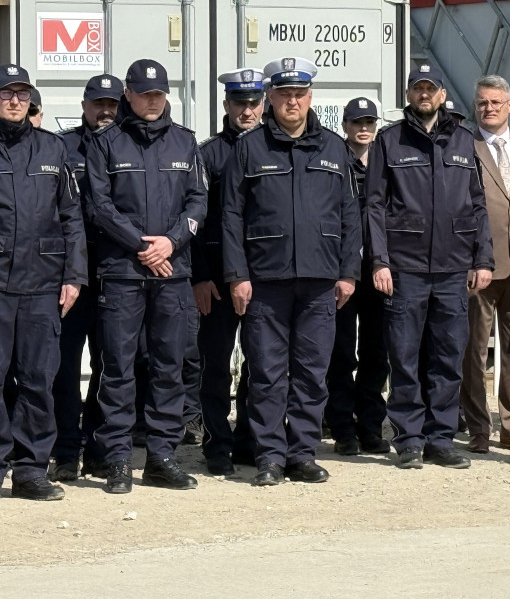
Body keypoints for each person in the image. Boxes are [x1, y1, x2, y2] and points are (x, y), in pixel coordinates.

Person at [222, 57, 362, 486]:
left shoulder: (334, 148)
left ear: (310, 98)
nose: (292, 102)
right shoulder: (250, 147)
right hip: (265, 282)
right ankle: (269, 455)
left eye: (299, 94)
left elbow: (350, 215)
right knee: (265, 371)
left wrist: (348, 273)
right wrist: (237, 275)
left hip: (321, 281)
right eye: (284, 94)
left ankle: (301, 452)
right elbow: (231, 216)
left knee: (311, 371)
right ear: (271, 98)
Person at [85, 59, 207, 494]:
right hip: (122, 274)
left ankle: (162, 456)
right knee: (117, 367)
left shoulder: (185, 143)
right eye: (144, 94)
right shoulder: (105, 143)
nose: (152, 101)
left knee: (169, 366)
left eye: (159, 94)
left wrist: (170, 244)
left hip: (172, 274)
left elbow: (198, 203)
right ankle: (118, 458)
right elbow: (99, 207)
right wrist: (143, 246)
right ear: (128, 96)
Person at [365, 64, 493, 470]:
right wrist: (380, 261)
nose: (424, 95)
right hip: (405, 268)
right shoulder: (390, 140)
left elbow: (477, 204)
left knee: (448, 355)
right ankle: (409, 441)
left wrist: (483, 258)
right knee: (403, 356)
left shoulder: (463, 139)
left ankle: (440, 439)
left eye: (431, 88)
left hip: (454, 269)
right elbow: (374, 205)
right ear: (409, 94)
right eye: (417, 89)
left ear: (441, 94)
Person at [0, 64, 87, 501]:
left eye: (20, 94)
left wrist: (74, 276)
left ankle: (31, 470)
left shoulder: (53, 150)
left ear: (30, 100)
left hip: (41, 287)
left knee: (37, 381)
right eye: (5, 94)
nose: (13, 101)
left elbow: (73, 218)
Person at [461, 75, 510, 455]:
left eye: (496, 102)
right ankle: (478, 426)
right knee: (473, 350)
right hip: (477, 265)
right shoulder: (463, 146)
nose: (489, 108)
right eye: (482, 103)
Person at [191, 68, 264, 476]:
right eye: (240, 102)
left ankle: (250, 439)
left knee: (260, 364)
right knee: (216, 365)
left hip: (264, 277)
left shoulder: (274, 148)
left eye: (254, 103)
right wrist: (199, 276)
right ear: (227, 105)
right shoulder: (209, 154)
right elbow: (194, 222)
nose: (248, 110)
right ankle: (217, 443)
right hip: (217, 278)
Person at [50, 74, 121, 481]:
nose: (106, 111)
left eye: (112, 103)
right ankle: (65, 449)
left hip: (117, 275)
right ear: (84, 106)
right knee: (62, 367)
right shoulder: (61, 147)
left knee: (111, 366)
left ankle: (98, 448)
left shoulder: (127, 145)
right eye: (99, 103)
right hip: (71, 277)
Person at [324, 97, 391, 457]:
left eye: (369, 122)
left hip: (378, 272)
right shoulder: (336, 162)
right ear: (345, 126)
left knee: (376, 354)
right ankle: (341, 428)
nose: (363, 129)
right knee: (340, 354)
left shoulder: (385, 162)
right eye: (356, 123)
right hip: (343, 271)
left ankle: (370, 426)